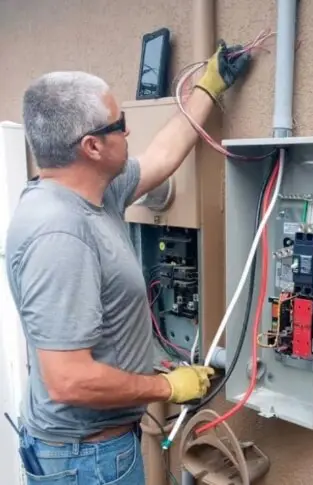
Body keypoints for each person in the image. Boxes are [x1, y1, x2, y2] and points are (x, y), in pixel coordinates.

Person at [4, 40, 251, 484]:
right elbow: (69, 381)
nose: (129, 132)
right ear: (92, 147)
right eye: (119, 124)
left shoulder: (97, 195)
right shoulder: (59, 233)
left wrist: (208, 88)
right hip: (87, 461)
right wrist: (167, 388)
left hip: (94, 451)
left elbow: (162, 156)